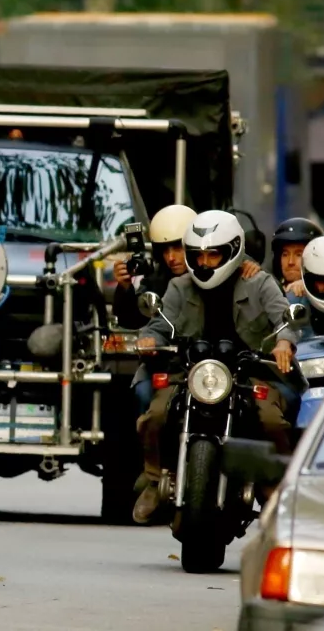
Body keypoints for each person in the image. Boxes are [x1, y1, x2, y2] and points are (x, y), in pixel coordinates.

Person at [132, 210, 299, 524]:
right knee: (154, 414)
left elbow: (285, 318)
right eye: (198, 255)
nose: (205, 262)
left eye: (213, 254)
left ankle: (273, 484)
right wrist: (149, 340)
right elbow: (157, 324)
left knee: (272, 421)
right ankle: (155, 480)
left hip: (247, 371)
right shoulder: (180, 287)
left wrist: (283, 343)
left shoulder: (259, 282)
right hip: (191, 371)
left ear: (233, 250)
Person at [113, 205, 261, 411]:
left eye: (177, 248)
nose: (171, 257)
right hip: (171, 364)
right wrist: (125, 288)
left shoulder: (229, 269)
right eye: (164, 250)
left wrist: (250, 267)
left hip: (225, 363)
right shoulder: (157, 281)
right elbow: (135, 319)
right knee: (144, 393)